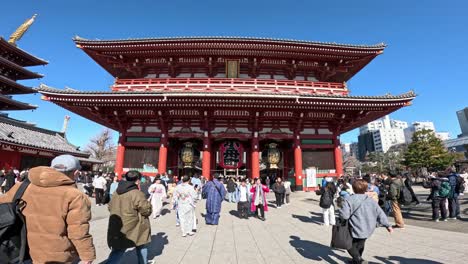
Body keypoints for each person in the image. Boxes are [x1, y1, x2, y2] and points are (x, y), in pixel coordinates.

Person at [0, 154, 96, 263]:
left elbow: (3, 208)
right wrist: (87, 256)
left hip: (21, 249)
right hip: (56, 256)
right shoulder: (74, 196)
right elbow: (78, 231)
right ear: (76, 173)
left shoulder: (23, 186)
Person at [339, 179, 392, 264]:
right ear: (366, 188)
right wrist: (388, 225)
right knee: (360, 244)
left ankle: (358, 260)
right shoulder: (371, 200)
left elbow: (345, 216)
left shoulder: (349, 200)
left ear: (353, 188)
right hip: (368, 227)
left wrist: (340, 210)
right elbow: (380, 213)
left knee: (348, 244)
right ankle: (355, 260)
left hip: (355, 227)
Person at [107, 170, 152, 264]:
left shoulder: (117, 191)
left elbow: (110, 206)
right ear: (138, 180)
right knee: (141, 245)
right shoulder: (136, 193)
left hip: (118, 224)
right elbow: (146, 210)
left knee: (118, 250)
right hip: (135, 226)